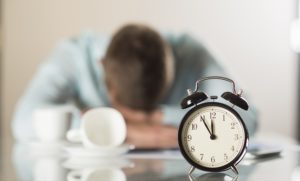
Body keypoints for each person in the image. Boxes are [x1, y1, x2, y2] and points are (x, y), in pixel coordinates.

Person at [12, 24, 258, 148]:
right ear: (101, 68)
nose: (147, 119)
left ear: (174, 64)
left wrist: (161, 117)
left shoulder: (190, 53)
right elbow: (23, 121)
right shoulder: (74, 55)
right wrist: (128, 132)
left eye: (153, 112)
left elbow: (250, 117)